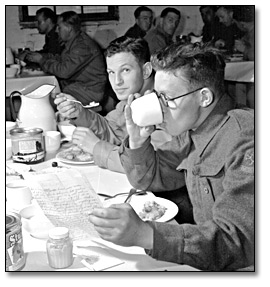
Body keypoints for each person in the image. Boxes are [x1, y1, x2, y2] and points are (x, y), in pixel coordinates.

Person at [89, 43, 254, 271]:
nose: (160, 108)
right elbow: (150, 178)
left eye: (167, 98)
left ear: (204, 97)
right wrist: (137, 142)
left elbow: (238, 242)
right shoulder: (192, 129)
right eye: (157, 96)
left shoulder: (248, 138)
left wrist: (147, 235)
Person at [54, 36, 171, 173]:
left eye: (125, 70)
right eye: (111, 72)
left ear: (146, 70)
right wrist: (79, 112)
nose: (117, 81)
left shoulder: (164, 105)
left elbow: (149, 165)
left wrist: (96, 147)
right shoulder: (131, 99)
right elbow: (112, 130)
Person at [26, 11, 112, 111]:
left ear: (69, 28)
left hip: (90, 90)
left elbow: (64, 71)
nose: (57, 30)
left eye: (59, 27)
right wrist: (42, 57)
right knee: (44, 97)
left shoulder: (82, 46)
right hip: (80, 87)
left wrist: (42, 60)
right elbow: (62, 60)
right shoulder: (74, 42)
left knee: (45, 104)